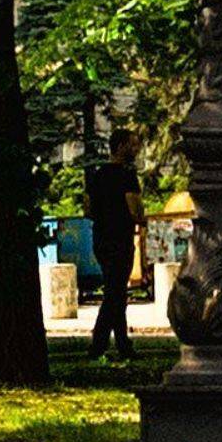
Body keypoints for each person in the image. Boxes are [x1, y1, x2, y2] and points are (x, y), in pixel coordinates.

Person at [84, 129, 145, 362]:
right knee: (114, 294)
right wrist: (140, 219)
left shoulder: (96, 175)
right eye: (132, 145)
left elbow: (88, 209)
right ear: (120, 147)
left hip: (100, 239)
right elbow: (134, 208)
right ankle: (98, 345)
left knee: (116, 291)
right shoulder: (127, 175)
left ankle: (123, 344)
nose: (136, 149)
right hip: (121, 239)